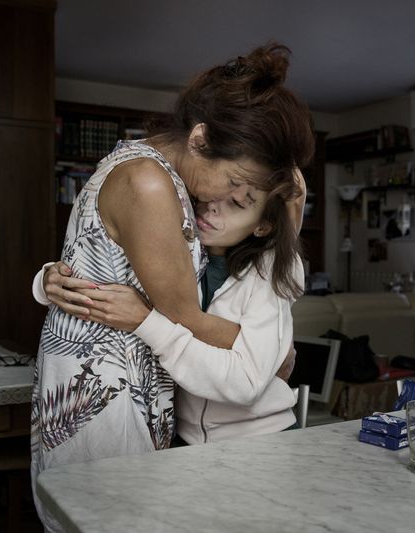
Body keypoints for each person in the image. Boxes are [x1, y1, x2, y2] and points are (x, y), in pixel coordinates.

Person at [30, 42, 313, 531]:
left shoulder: (156, 172)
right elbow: (186, 320)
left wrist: (46, 279)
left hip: (136, 384)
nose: (226, 199)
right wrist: (271, 353)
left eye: (243, 198)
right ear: (201, 139)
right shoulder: (151, 184)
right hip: (108, 393)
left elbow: (100, 261)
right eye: (235, 183)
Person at [36, 176, 304, 444]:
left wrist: (147, 322)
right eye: (214, 192)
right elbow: (110, 277)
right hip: (183, 440)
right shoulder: (181, 245)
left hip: (262, 438)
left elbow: (245, 383)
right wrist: (48, 280)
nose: (212, 206)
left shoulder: (272, 267)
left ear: (263, 225)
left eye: (235, 203)